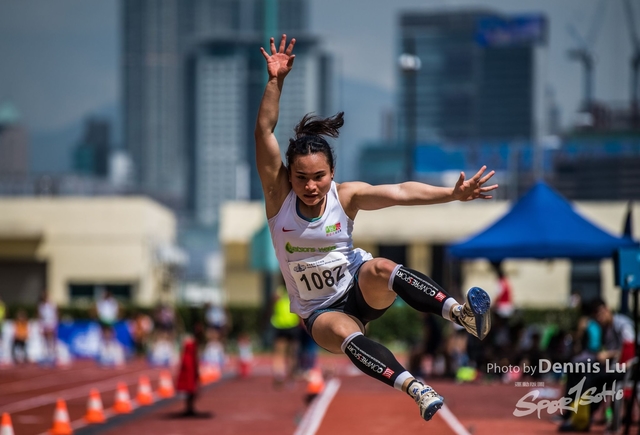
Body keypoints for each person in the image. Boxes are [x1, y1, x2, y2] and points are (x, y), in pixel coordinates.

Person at [255, 34, 497, 422]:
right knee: (349, 337)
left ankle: (462, 315)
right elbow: (265, 133)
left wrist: (452, 194)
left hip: (358, 286)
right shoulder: (278, 197)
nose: (311, 186)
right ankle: (415, 388)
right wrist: (275, 81)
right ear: (290, 176)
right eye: (301, 178)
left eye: (319, 177)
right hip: (319, 311)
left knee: (383, 267)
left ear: (332, 172)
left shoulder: (345, 197)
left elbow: (401, 191)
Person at [270, 284, 302, 386]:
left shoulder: (281, 290)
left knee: (287, 352)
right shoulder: (294, 289)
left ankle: (284, 375)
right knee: (288, 353)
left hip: (286, 325)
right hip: (286, 325)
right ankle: (284, 376)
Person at [38, 292, 59, 364]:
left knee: (51, 340)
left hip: (51, 323)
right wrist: (40, 325)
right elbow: (40, 316)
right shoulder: (41, 306)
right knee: (45, 340)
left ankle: (52, 355)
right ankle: (46, 355)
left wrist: (54, 323)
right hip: (44, 324)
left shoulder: (52, 305)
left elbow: (55, 314)